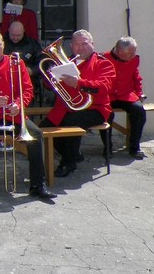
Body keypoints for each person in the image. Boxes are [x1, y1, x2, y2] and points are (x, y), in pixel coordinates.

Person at [0, 30, 55, 203]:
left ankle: (38, 184)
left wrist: (18, 104)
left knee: (35, 134)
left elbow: (28, 89)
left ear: (3, 45)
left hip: (13, 115)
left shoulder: (16, 63)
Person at [38, 30, 115, 178]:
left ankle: (68, 163)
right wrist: (49, 78)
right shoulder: (65, 62)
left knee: (70, 123)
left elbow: (105, 87)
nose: (81, 48)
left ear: (92, 44)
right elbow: (50, 87)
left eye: (85, 44)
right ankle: (73, 154)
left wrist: (78, 83)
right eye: (77, 44)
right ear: (71, 46)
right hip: (65, 108)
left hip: (95, 109)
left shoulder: (103, 63)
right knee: (43, 128)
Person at [106, 37, 147, 160]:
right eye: (130, 53)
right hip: (108, 96)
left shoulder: (134, 59)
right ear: (119, 51)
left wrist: (139, 94)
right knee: (106, 114)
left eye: (134, 52)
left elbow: (136, 78)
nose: (133, 55)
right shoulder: (103, 58)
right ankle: (107, 148)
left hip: (126, 95)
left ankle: (134, 147)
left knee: (139, 111)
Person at [4, 20, 44, 104]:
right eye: (13, 35)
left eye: (18, 35)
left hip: (28, 80)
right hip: (5, 79)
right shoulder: (1, 43)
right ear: (8, 31)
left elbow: (43, 63)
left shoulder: (33, 44)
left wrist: (32, 70)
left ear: (23, 31)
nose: (15, 38)